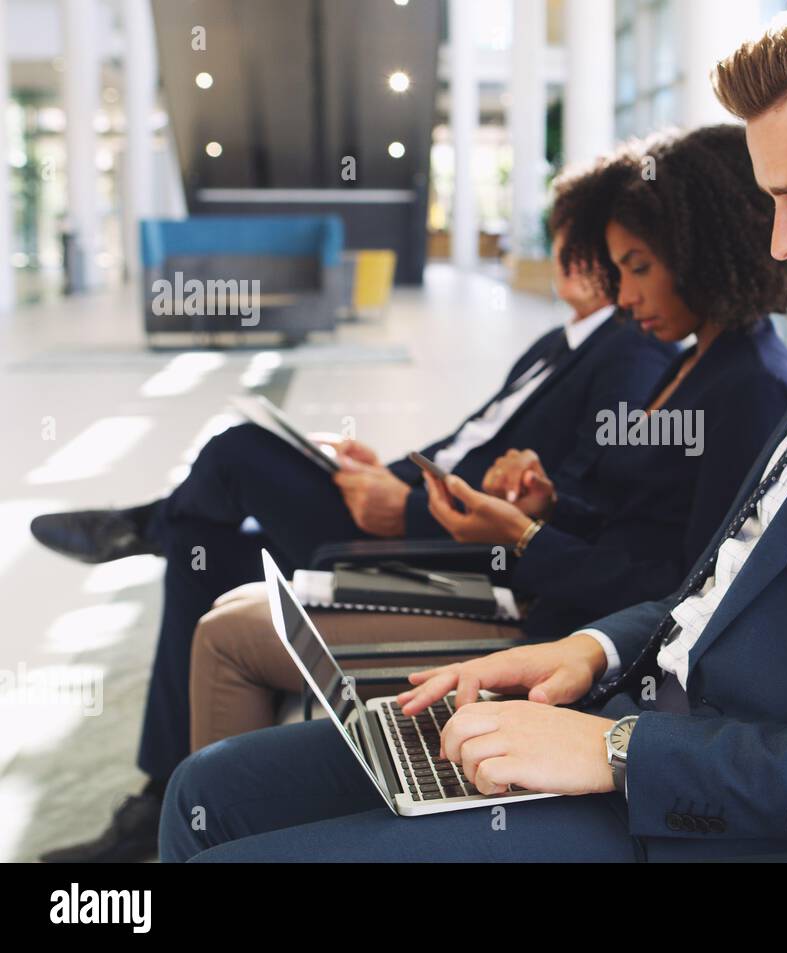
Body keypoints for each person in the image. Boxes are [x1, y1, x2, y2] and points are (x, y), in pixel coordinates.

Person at [162, 0, 787, 862]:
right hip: (625, 712)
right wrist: (589, 648)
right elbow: (716, 587)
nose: (779, 244)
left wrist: (617, 750)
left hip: (702, 811)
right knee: (210, 794)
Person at [32, 222, 676, 863]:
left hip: (442, 545)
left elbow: (556, 501)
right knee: (199, 548)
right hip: (411, 507)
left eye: (576, 237)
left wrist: (410, 509)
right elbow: (466, 444)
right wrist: (389, 471)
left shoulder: (628, 355)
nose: (562, 250)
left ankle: (145, 526)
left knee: (236, 454)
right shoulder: (555, 343)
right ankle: (160, 789)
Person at [182, 123, 787, 754]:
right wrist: (551, 506)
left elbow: (681, 590)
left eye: (638, 268)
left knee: (230, 632)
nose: (625, 294)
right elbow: (639, 518)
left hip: (562, 644)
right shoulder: (698, 360)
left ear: (701, 250)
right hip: (543, 605)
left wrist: (524, 538)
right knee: (233, 611)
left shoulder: (749, 386)